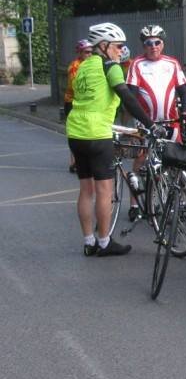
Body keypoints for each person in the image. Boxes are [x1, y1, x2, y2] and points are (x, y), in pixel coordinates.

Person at [66, 23, 159, 257]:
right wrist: (150, 124)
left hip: (75, 132)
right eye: (117, 46)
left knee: (85, 189)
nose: (121, 50)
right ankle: (105, 242)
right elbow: (127, 97)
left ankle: (89, 242)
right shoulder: (110, 66)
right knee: (104, 190)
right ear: (104, 46)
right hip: (97, 133)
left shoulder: (83, 66)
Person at [65, 38, 93, 172]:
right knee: (74, 132)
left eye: (91, 52)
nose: (90, 54)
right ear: (80, 53)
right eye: (87, 52)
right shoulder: (75, 66)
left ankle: (86, 159)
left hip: (86, 102)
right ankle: (74, 162)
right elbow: (75, 85)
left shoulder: (91, 64)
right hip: (72, 101)